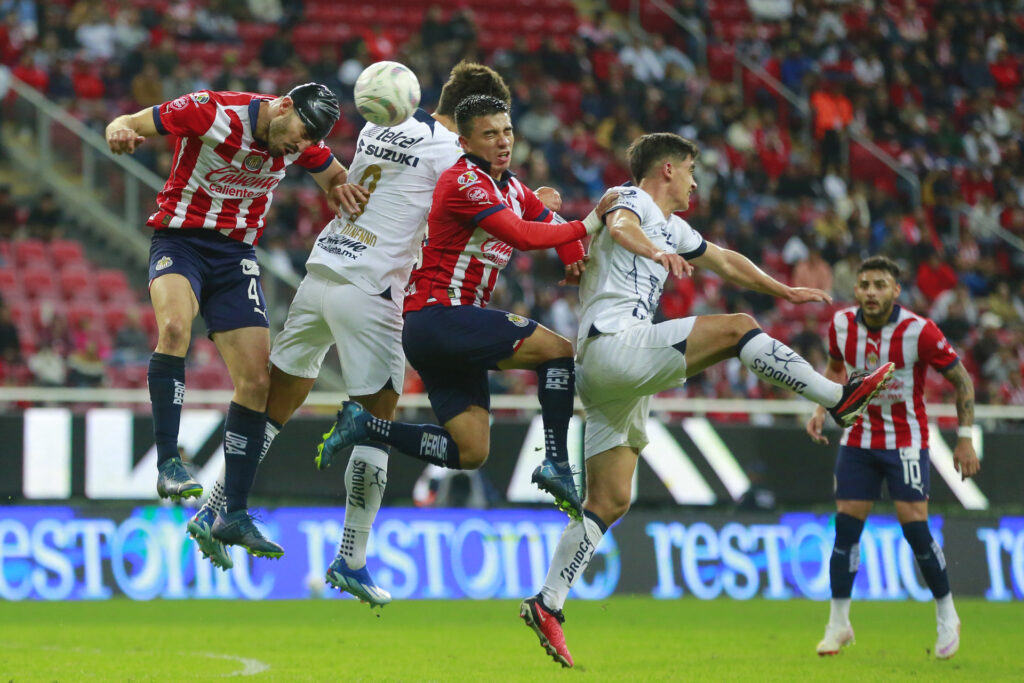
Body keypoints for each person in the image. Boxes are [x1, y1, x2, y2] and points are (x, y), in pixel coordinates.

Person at [518, 133, 895, 668]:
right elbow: (621, 227)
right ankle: (838, 398)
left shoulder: (672, 226)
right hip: (614, 347)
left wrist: (783, 291)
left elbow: (725, 260)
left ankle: (547, 601)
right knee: (737, 328)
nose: (696, 183)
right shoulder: (629, 199)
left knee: (610, 499)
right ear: (668, 169)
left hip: (612, 373)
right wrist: (656, 252)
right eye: (691, 171)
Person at [184, 63, 519, 590]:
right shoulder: (452, 155)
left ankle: (216, 507)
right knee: (375, 422)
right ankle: (351, 557)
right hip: (373, 289)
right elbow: (496, 207)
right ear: (474, 114)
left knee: (275, 403)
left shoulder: (376, 124)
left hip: (322, 272)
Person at [318, 94, 617, 542]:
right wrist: (591, 223)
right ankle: (557, 461)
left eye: (507, 131)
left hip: (443, 330)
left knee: (470, 450)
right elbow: (523, 234)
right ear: (465, 142)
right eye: (490, 134)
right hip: (440, 315)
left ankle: (366, 425)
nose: (503, 142)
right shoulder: (463, 182)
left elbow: (547, 218)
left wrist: (573, 250)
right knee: (557, 351)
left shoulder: (511, 188)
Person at [105, 82, 357, 557]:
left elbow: (336, 178)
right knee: (174, 329)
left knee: (257, 383)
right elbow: (130, 121)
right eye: (301, 133)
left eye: (310, 141)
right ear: (283, 106)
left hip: (235, 256)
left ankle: (232, 514)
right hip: (179, 241)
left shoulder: (299, 142)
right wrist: (119, 130)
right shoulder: (210, 111)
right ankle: (168, 463)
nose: (300, 147)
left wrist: (348, 190)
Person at [805, 255, 980, 660]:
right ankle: (838, 625)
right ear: (856, 289)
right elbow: (835, 368)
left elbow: (962, 380)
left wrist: (965, 438)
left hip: (906, 440)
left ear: (895, 291)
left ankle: (947, 614)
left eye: (880, 285)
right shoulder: (841, 324)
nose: (871, 292)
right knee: (845, 530)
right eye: (865, 285)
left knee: (915, 530)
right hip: (858, 439)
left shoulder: (919, 330)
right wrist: (819, 408)